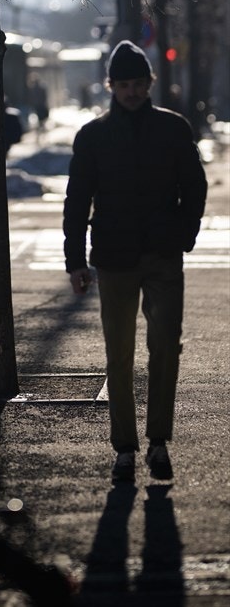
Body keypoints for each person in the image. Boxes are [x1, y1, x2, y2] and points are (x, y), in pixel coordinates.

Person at [64, 40, 207, 483]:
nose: (130, 91)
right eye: (123, 84)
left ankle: (158, 443)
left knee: (165, 347)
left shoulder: (172, 128)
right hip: (115, 257)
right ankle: (125, 448)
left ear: (149, 83)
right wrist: (75, 260)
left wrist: (184, 235)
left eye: (137, 84)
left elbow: (195, 187)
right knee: (118, 353)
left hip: (162, 255)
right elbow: (77, 200)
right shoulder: (93, 136)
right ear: (111, 86)